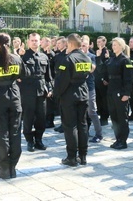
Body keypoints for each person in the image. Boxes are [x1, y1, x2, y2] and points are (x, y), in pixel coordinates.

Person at [0, 33, 29, 179]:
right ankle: (12, 167)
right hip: (14, 97)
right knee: (15, 133)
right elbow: (26, 74)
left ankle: (4, 168)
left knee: (2, 134)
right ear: (9, 43)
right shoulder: (16, 58)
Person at [54, 33, 92, 166]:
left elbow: (62, 81)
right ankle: (83, 156)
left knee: (70, 126)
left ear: (69, 44)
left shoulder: (68, 59)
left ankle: (71, 157)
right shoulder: (87, 58)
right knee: (82, 125)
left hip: (69, 96)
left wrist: (56, 94)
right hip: (83, 94)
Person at [18, 33, 52, 152]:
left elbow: (48, 76)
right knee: (28, 117)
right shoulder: (23, 56)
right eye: (32, 40)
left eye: (36, 40)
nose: (34, 42)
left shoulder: (44, 57)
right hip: (27, 91)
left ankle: (38, 140)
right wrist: (19, 57)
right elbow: (18, 73)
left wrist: (50, 89)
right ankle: (29, 141)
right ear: (28, 42)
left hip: (41, 90)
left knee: (41, 117)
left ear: (40, 42)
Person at [97, 38, 133, 149]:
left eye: (116, 45)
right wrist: (99, 58)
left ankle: (123, 141)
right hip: (111, 91)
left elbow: (128, 79)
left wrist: (126, 93)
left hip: (120, 91)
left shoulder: (125, 60)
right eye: (113, 45)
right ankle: (118, 139)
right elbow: (102, 70)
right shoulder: (111, 59)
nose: (114, 47)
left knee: (122, 117)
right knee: (114, 117)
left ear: (121, 46)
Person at [81, 35, 103, 143]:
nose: (82, 47)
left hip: (89, 87)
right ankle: (84, 132)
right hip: (79, 88)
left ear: (89, 45)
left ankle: (99, 134)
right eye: (80, 45)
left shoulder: (92, 56)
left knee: (92, 112)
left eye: (84, 45)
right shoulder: (75, 56)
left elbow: (91, 69)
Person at [94, 36, 110, 126]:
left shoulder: (107, 52)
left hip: (104, 79)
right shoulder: (97, 51)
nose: (98, 43)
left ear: (104, 42)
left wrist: (106, 79)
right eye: (97, 42)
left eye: (100, 42)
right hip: (97, 78)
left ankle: (105, 117)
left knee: (104, 99)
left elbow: (106, 67)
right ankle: (100, 114)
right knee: (98, 99)